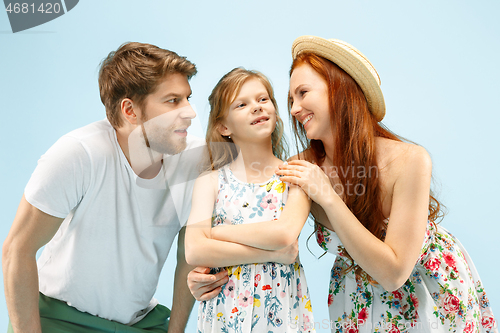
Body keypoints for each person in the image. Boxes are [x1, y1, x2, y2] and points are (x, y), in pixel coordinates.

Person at [274, 36, 497, 332]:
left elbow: (393, 274)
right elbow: (274, 235)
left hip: (431, 292)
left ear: (341, 88)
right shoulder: (303, 167)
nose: (294, 109)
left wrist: (327, 196)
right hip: (355, 298)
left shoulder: (410, 160)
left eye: (303, 93)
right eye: (291, 100)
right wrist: (208, 270)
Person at [2, 42, 203, 332]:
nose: (190, 112)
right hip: (58, 319)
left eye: (187, 98)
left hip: (140, 323)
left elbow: (189, 256)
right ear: (130, 110)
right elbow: (17, 249)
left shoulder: (195, 162)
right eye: (173, 101)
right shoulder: (78, 154)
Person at [185, 68, 315, 332]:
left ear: (276, 110)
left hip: (280, 315)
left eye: (263, 99)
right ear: (223, 127)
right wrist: (274, 254)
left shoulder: (295, 174)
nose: (257, 107)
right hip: (225, 315)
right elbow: (194, 250)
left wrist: (215, 233)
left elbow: (284, 235)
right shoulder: (210, 181)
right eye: (242, 104)